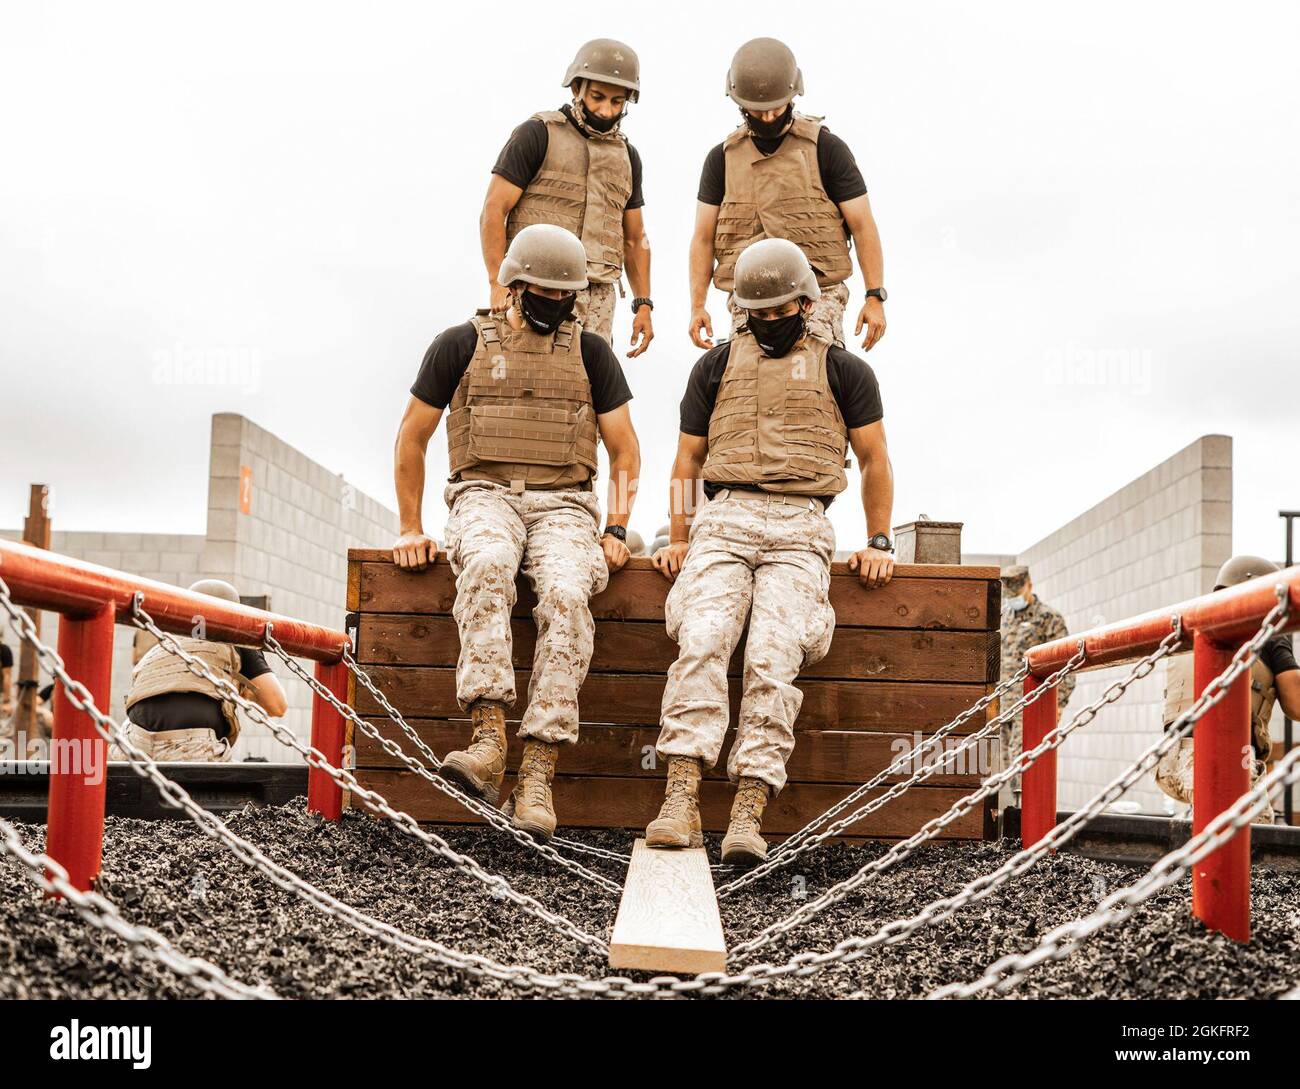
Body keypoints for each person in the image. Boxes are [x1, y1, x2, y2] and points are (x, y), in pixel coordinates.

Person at [646, 237, 895, 866]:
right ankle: (680, 799)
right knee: (702, 638)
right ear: (745, 312)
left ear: (808, 305)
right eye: (762, 313)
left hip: (801, 522)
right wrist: (679, 536)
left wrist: (880, 540)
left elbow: (873, 459)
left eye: (785, 311)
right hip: (724, 515)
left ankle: (748, 812)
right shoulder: (714, 367)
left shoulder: (846, 370)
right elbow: (688, 459)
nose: (774, 322)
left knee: (774, 654)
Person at [392, 223, 641, 843]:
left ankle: (537, 771)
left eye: (567, 295)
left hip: (566, 505)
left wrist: (616, 527)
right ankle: (487, 740)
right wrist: (409, 527)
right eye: (544, 292)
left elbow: (624, 449)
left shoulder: (591, 353)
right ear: (513, 286)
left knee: (565, 593)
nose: (556, 304)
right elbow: (412, 437)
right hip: (484, 492)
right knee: (489, 563)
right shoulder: (460, 344)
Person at [688, 37, 886, 352]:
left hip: (818, 296)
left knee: (815, 375)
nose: (767, 118)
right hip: (750, 302)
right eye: (757, 110)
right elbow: (702, 237)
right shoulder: (721, 160)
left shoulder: (827, 150)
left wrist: (875, 296)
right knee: (746, 379)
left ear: (793, 94)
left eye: (775, 108)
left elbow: (863, 225)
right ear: (739, 103)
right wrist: (697, 306)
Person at [481, 39, 654, 355]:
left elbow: (634, 238)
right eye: (597, 97)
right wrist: (497, 282)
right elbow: (494, 209)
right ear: (577, 87)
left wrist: (643, 304)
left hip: (599, 300)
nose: (606, 110)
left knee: (589, 392)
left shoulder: (628, 157)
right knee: (528, 382)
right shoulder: (537, 134)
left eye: (617, 102)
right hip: (536, 289)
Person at [1156, 555, 1300, 823]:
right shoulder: (1265, 632)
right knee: (1254, 840)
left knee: (1209, 828)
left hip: (1172, 761)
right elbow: (1296, 705)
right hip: (1228, 758)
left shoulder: (1193, 626)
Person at [110, 579, 288, 762]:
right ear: (233, 612)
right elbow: (277, 705)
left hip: (129, 742)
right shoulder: (235, 637)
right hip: (191, 745)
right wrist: (247, 692)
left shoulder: (166, 640)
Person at [998, 564, 1074, 778]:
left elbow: (1066, 663)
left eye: (1016, 593)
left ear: (1029, 585)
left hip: (1033, 706)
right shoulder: (1004, 617)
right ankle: (1016, 810)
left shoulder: (1049, 618)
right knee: (1008, 772)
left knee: (1026, 769)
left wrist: (1059, 704)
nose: (1013, 598)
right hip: (1005, 707)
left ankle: (1025, 811)